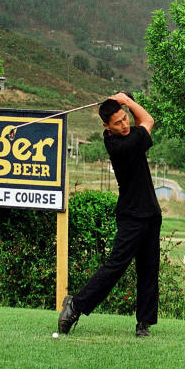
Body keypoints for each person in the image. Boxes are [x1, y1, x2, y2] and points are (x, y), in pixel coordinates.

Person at [58, 92, 161, 338]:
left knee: (149, 269)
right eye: (118, 122)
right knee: (115, 266)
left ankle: (143, 323)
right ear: (106, 126)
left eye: (125, 119)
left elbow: (140, 123)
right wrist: (127, 101)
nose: (124, 125)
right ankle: (75, 305)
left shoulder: (123, 135)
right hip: (132, 216)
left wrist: (124, 105)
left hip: (150, 213)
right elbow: (148, 120)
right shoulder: (122, 145)